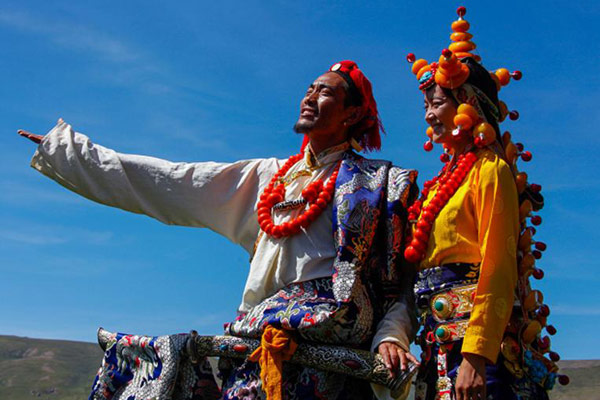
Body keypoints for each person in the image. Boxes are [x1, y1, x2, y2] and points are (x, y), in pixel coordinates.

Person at [18, 60, 419, 400]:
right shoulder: (268, 177)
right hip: (255, 348)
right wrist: (69, 153)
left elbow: (398, 283)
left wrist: (393, 336)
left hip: (331, 356)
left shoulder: (378, 185)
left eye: (326, 92)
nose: (310, 97)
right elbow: (172, 181)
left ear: (352, 113)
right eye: (310, 88)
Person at [379, 6, 564, 400]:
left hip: (478, 351)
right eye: (426, 107)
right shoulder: (440, 183)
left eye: (438, 104)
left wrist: (477, 355)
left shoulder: (491, 170)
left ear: (468, 103)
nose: (429, 116)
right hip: (439, 344)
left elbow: (497, 265)